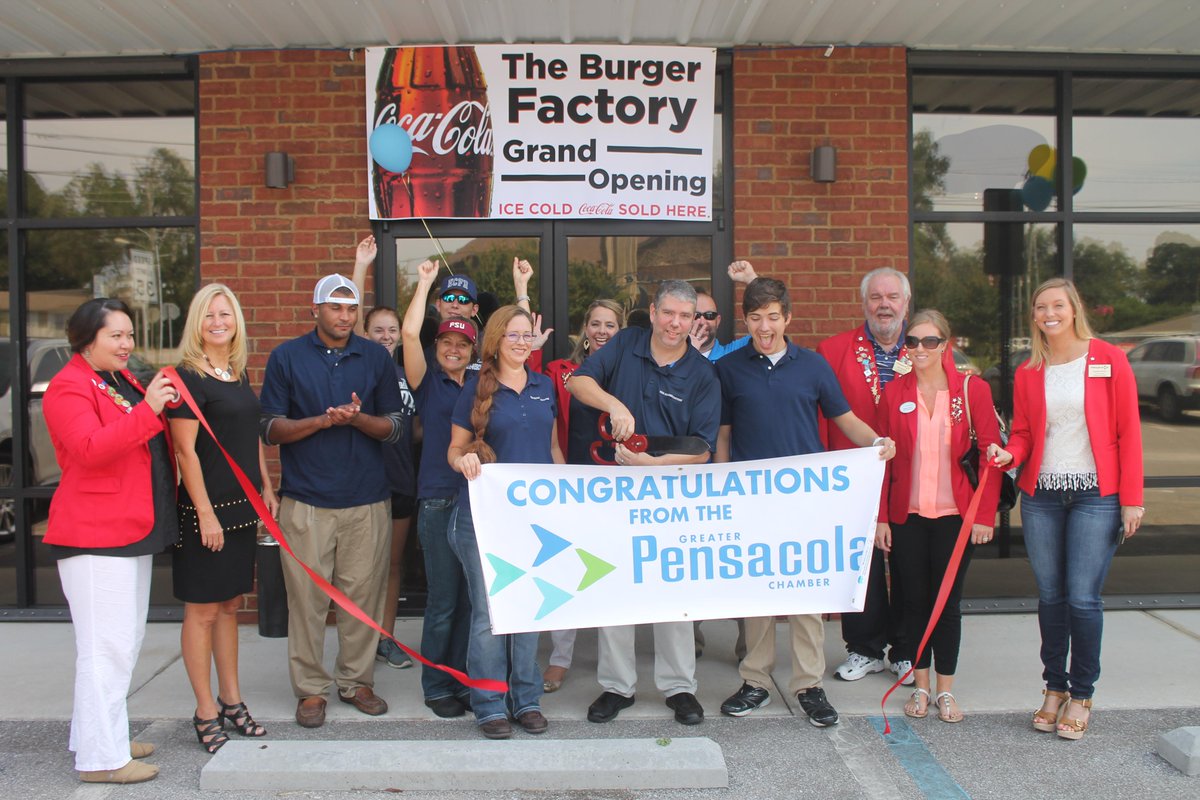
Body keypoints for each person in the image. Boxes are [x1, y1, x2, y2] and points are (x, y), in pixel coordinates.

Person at [715, 275, 895, 726]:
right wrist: (720, 481)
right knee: (755, 592)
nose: (764, 326)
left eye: (772, 317)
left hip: (805, 500)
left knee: (805, 590)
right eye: (755, 318)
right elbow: (723, 434)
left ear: (787, 318)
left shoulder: (812, 366)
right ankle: (755, 679)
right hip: (750, 499)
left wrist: (876, 442)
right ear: (746, 320)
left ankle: (808, 685)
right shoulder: (730, 367)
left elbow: (845, 418)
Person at [989, 278, 1143, 741]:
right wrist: (1008, 455)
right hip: (1042, 496)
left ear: (1073, 308)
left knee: (1083, 598)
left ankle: (1082, 694)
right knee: (1051, 597)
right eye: (1041, 307)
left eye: (1057, 305)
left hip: (1097, 494)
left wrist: (1132, 498)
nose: (1049, 313)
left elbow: (1129, 431)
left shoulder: (1108, 359)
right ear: (1034, 316)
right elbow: (1024, 434)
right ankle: (1053, 688)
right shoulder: (1030, 369)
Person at [568, 279, 721, 727]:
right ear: (653, 312)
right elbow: (578, 381)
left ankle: (679, 688)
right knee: (614, 583)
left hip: (670, 491)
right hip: (615, 491)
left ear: (694, 321)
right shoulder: (626, 344)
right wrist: (614, 403)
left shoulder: (702, 374)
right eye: (668, 313)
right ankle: (617, 686)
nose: (675, 323)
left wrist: (650, 466)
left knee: (671, 588)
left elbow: (702, 450)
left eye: (685, 316)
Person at [259, 274, 406, 728]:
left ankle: (356, 681)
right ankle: (310, 690)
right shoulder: (286, 357)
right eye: (335, 307)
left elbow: (395, 427)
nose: (345, 315)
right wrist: (322, 421)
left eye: (351, 308)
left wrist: (358, 418)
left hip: (367, 500)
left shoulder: (375, 358)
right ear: (316, 309)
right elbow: (269, 428)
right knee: (306, 601)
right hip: (306, 501)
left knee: (361, 597)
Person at [43, 298, 180, 784]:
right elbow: (88, 450)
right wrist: (149, 410)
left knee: (122, 641)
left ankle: (101, 734)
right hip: (95, 533)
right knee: (107, 648)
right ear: (87, 339)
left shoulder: (116, 380)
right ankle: (102, 760)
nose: (127, 344)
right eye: (115, 336)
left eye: (128, 334)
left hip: (132, 527)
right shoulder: (68, 388)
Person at [875, 310, 1001, 724]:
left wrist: (984, 515)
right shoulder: (894, 393)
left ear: (945, 345)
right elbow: (884, 462)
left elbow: (990, 457)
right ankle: (921, 685)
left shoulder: (971, 390)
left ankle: (945, 690)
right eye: (913, 342)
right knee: (913, 602)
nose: (920, 349)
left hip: (956, 516)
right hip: (907, 515)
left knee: (946, 604)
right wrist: (881, 518)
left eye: (930, 342)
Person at [168, 284, 278, 753]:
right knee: (202, 609)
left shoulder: (234, 372)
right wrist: (206, 515)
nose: (219, 321)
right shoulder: (186, 377)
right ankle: (204, 710)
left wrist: (266, 486)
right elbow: (185, 452)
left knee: (231, 605)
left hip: (240, 509)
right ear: (198, 321)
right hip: (204, 514)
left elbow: (248, 435)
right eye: (210, 314)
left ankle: (231, 700)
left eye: (227, 314)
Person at [448, 305, 565, 739]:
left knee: (530, 609)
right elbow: (453, 449)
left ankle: (526, 700)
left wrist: (562, 500)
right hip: (481, 518)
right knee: (489, 614)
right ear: (495, 340)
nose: (520, 342)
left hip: (532, 521)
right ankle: (490, 704)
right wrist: (464, 461)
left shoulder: (544, 385)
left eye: (525, 336)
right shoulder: (476, 389)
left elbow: (552, 448)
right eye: (512, 335)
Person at [816, 266, 913, 685]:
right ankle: (864, 648)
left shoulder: (928, 347)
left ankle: (909, 650)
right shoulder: (833, 350)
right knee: (861, 565)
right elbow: (822, 418)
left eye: (892, 296)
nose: (884, 304)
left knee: (911, 562)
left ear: (905, 303)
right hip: (851, 475)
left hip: (912, 473)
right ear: (864, 303)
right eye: (876, 297)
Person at [403, 258, 477, 719]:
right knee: (444, 600)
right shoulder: (426, 382)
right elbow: (409, 334)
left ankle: (464, 679)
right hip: (436, 498)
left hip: (475, 500)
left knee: (471, 600)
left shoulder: (479, 383)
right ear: (438, 346)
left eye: (461, 343)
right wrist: (425, 282)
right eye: (446, 342)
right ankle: (436, 685)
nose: (454, 349)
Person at [539, 298, 626, 693]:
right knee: (566, 569)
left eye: (610, 324)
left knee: (618, 571)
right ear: (584, 330)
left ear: (621, 330)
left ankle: (616, 666)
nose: (603, 331)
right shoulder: (561, 372)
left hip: (624, 484)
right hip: (572, 484)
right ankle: (560, 658)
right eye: (595, 323)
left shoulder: (632, 373)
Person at [352, 236, 417, 671]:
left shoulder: (406, 369)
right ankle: (358, 643)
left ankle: (386, 638)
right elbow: (351, 320)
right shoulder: (360, 363)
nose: (386, 337)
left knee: (392, 567)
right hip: (365, 482)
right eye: (378, 330)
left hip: (403, 480)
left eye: (391, 331)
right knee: (362, 571)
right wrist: (361, 266)